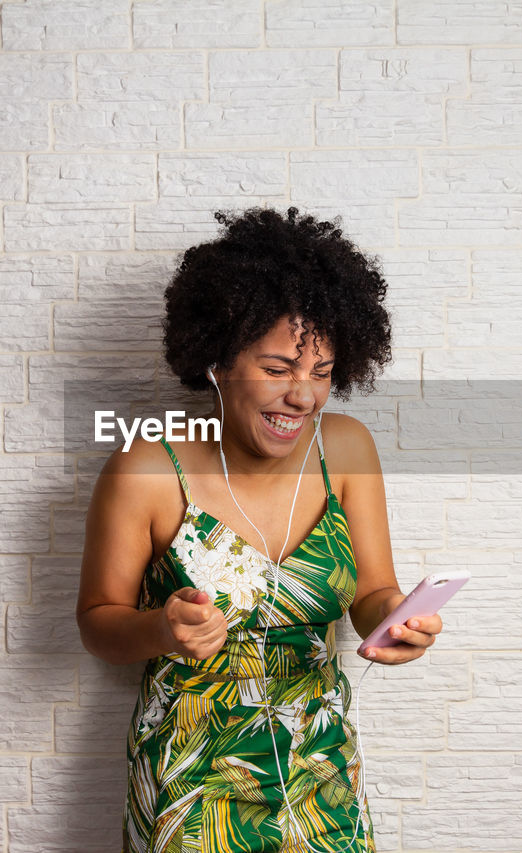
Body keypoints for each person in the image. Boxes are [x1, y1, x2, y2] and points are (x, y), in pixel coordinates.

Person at [76, 206, 442, 853]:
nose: (303, 394)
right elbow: (98, 620)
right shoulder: (147, 468)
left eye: (322, 372)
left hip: (320, 762)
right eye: (278, 369)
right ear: (217, 359)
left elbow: (371, 592)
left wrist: (400, 619)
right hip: (192, 775)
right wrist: (163, 626)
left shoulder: (347, 451)